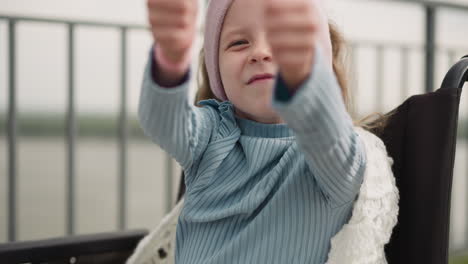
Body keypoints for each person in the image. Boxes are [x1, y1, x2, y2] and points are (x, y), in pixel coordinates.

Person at [137, 0, 392, 263]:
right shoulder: (211, 134)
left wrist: (302, 83)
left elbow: (327, 134)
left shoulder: (338, 156)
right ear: (217, 69)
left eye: (282, 41)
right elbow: (163, 122)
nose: (260, 52)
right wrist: (169, 61)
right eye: (238, 43)